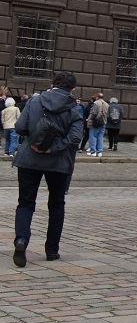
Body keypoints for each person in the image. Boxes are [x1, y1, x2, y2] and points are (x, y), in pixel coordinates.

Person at [12, 71, 83, 266]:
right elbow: (76, 137)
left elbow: (19, 127)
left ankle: (21, 240)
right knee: (56, 205)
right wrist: (54, 148)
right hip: (58, 163)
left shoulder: (35, 101)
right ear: (72, 89)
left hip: (29, 159)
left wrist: (36, 138)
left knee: (25, 203)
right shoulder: (74, 108)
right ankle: (51, 251)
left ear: (53, 84)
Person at [86, 92, 108, 157]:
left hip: (95, 123)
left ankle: (93, 152)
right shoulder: (106, 104)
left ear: (97, 97)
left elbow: (94, 113)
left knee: (93, 137)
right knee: (100, 137)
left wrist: (90, 119)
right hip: (103, 122)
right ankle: (100, 152)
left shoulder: (96, 103)